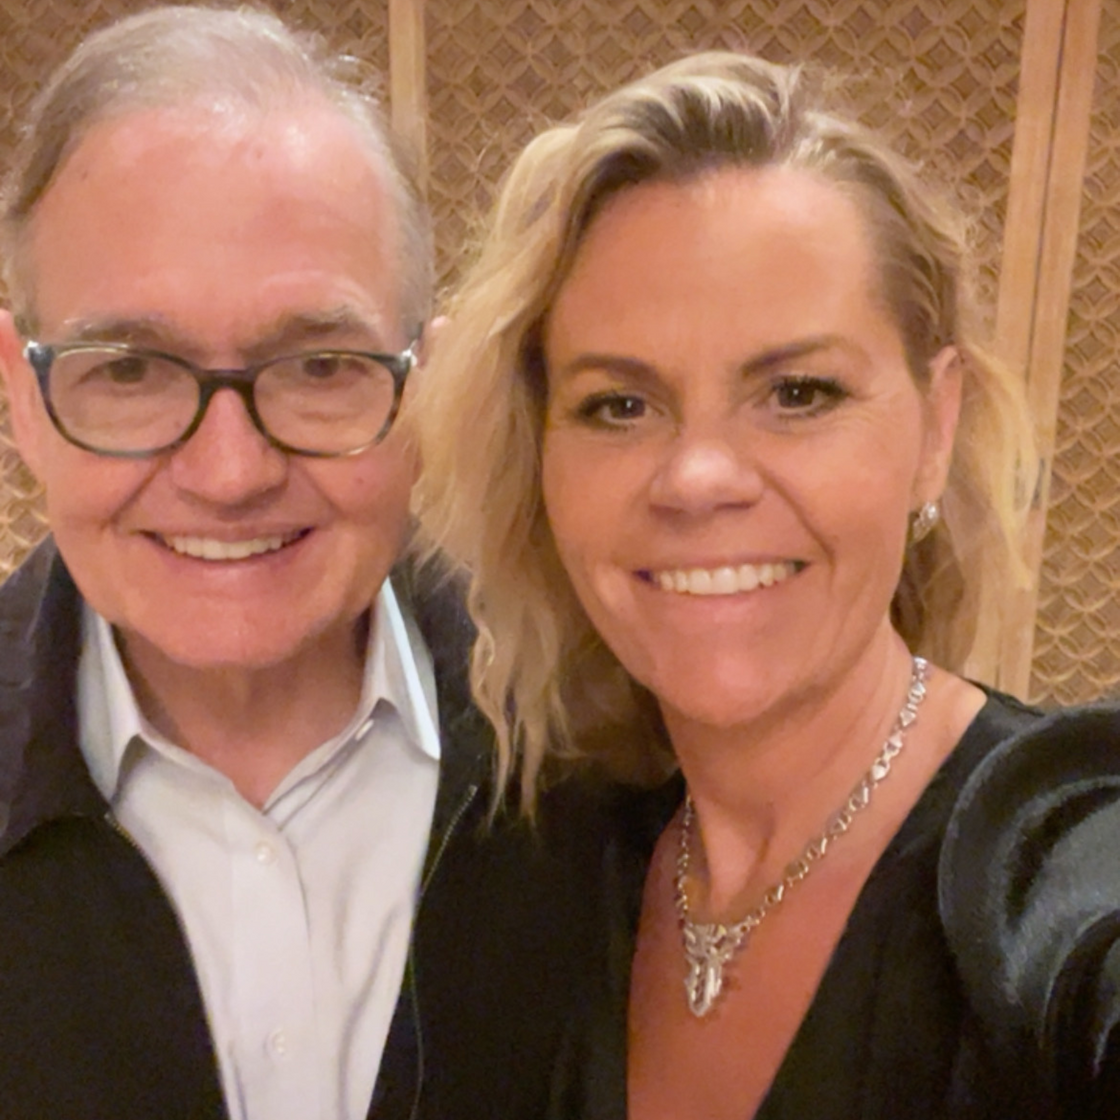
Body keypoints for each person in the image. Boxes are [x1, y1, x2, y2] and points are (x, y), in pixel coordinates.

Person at [415, 51, 1120, 1119]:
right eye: (618, 405)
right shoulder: (543, 863)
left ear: (934, 428)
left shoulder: (1053, 859)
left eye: (797, 392)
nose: (698, 477)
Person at [0, 7, 603, 1119]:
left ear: (423, 388)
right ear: (21, 396)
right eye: (129, 369)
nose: (230, 473)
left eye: (320, 366)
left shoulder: (604, 746)